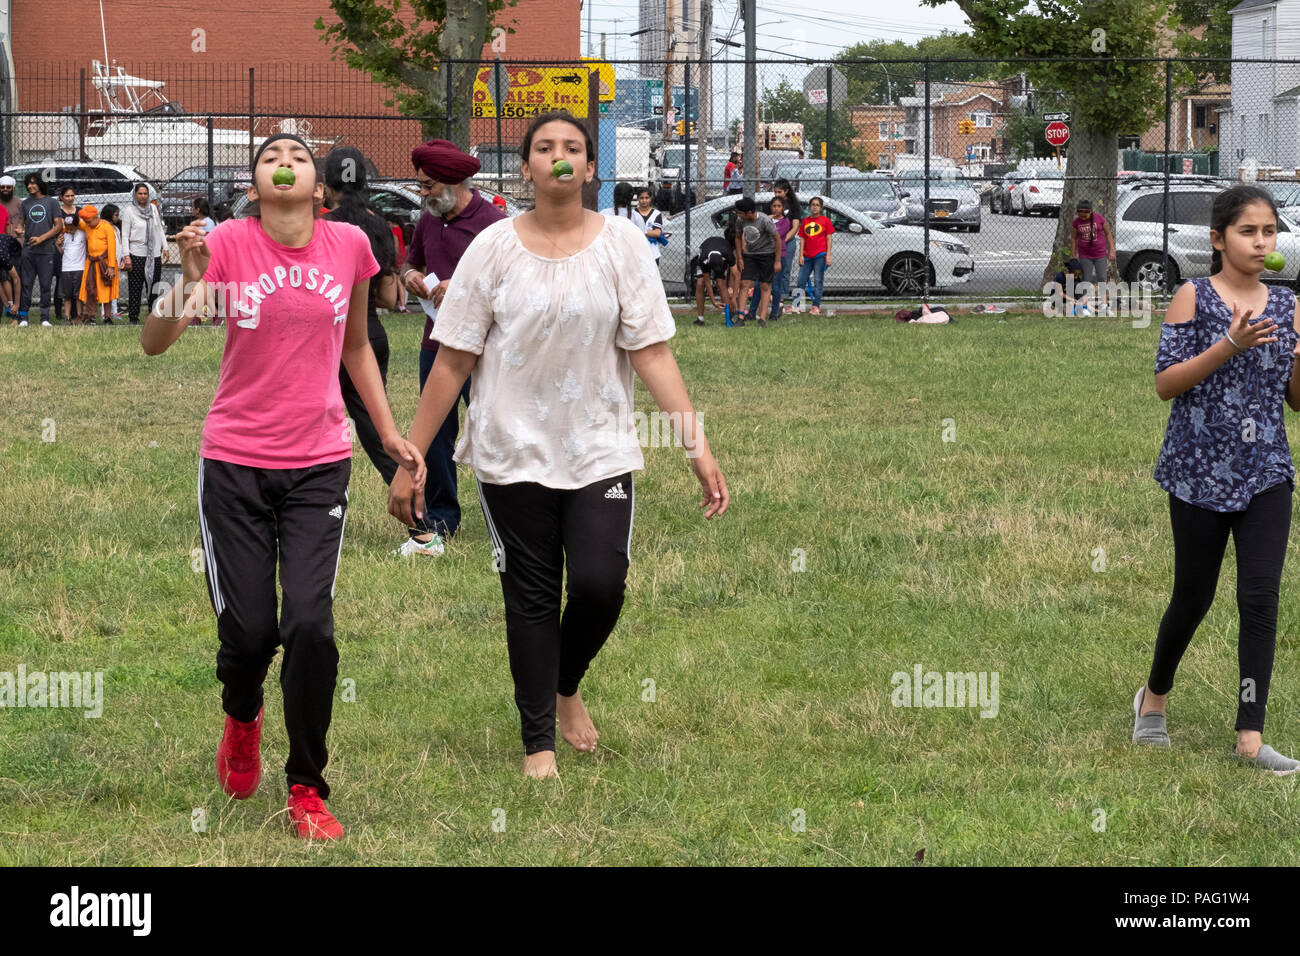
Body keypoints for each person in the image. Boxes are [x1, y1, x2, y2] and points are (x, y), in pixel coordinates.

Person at [387, 111, 729, 780]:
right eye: (545, 147)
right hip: (511, 449)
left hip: (599, 447)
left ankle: (566, 683)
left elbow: (653, 353)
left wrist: (697, 446)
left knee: (602, 584)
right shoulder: (493, 247)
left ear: (592, 167)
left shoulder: (623, 246)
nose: (560, 157)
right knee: (532, 595)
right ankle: (537, 742)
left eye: (573, 147)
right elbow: (453, 360)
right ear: (526, 168)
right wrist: (414, 458)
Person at [140, 133, 426, 839]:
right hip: (234, 461)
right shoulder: (229, 245)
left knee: (307, 624)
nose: (285, 163)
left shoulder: (349, 249)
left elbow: (356, 345)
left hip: (318, 462)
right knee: (249, 630)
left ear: (319, 185)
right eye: (271, 157)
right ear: (256, 182)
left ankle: (306, 786)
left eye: (297, 155)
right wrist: (189, 274)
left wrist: (387, 434)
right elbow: (153, 340)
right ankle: (242, 715)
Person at [1135, 184, 1300, 774]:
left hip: (1266, 475)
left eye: (1269, 232)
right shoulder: (1193, 297)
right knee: (1193, 597)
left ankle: (1250, 737)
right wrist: (1229, 342)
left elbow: (1296, 400)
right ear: (1218, 239)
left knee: (1260, 599)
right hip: (1198, 472)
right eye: (1248, 232)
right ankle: (1152, 700)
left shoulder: (1285, 305)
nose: (1261, 243)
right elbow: (1166, 383)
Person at [399, 138, 506, 555]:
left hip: (482, 348)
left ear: (452, 181)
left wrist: (459, 287)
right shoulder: (428, 219)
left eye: (428, 186)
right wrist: (411, 274)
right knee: (438, 433)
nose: (422, 193)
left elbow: (506, 285)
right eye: (420, 185)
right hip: (435, 342)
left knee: (492, 430)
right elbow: (414, 261)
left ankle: (506, 512)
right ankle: (443, 518)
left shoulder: (493, 224)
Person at [322, 146, 405, 510]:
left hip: (332, 336)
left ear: (326, 184)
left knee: (317, 426)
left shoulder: (323, 226)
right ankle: (418, 505)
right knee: (375, 430)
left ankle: (322, 500)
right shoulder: (379, 224)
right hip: (372, 333)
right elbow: (389, 298)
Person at [17, 173, 62, 327]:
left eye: (33, 183)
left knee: (45, 285)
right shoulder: (25, 204)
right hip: (28, 251)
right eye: (28, 184)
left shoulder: (52, 203)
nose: (30, 186)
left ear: (40, 184)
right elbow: (20, 225)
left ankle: (44, 318)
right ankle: (23, 318)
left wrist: (41, 238)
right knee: (26, 285)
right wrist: (18, 230)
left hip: (46, 251)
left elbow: (58, 226)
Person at [121, 182, 168, 324]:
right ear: (135, 195)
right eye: (140, 193)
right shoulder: (129, 211)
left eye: (145, 194)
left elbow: (159, 228)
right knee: (135, 287)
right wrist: (126, 256)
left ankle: (153, 317)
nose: (143, 196)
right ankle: (133, 318)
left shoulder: (153, 209)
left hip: (154, 255)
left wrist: (165, 246)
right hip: (136, 254)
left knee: (154, 287)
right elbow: (125, 235)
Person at [734, 196, 779, 328]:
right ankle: (741, 317)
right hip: (750, 254)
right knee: (744, 283)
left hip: (766, 254)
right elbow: (737, 237)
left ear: (749, 213)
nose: (738, 215)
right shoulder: (740, 220)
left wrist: (777, 261)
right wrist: (740, 257)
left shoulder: (765, 220)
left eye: (740, 213)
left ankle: (762, 318)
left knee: (765, 286)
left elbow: (777, 239)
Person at [1070, 199, 1115, 315]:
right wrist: (1073, 255)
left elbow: (1108, 234)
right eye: (1081, 215)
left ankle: (1105, 305)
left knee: (1101, 278)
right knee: (1086, 279)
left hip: (1100, 254)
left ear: (1091, 212)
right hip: (1085, 255)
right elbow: (1074, 239)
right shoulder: (1076, 223)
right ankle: (1084, 307)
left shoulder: (1100, 219)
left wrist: (1112, 250)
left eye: (1085, 215)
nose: (1083, 217)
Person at [75, 206, 118, 323]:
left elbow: (112, 248)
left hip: (106, 263)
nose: (87, 224)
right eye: (86, 222)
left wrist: (111, 267)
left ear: (96, 217)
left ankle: (108, 317)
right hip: (91, 263)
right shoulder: (87, 225)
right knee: (90, 290)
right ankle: (91, 317)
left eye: (89, 221)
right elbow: (74, 224)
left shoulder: (107, 227)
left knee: (107, 292)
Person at [793, 196, 834, 315]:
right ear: (809, 207)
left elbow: (829, 238)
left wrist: (828, 255)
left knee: (818, 280)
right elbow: (802, 239)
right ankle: (796, 305)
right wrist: (801, 255)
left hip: (820, 256)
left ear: (821, 208)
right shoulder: (805, 221)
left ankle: (815, 306)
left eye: (817, 205)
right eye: (812, 205)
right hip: (806, 256)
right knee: (801, 280)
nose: (814, 207)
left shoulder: (825, 221)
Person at [771, 179, 802, 314]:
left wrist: (783, 240)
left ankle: (782, 298)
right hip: (772, 243)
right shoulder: (772, 204)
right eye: (775, 191)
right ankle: (771, 295)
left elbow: (795, 227)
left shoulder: (794, 206)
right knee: (772, 270)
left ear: (786, 191)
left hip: (787, 243)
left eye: (779, 192)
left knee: (784, 270)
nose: (777, 194)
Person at [55, 186, 84, 325]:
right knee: (66, 294)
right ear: (61, 197)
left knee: (78, 295)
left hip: (79, 266)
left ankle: (78, 317)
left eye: (72, 195)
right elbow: (62, 250)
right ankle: (65, 317)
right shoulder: (64, 234)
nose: (70, 198)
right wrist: (57, 244)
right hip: (66, 266)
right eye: (67, 196)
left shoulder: (82, 233)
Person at [691, 233, 735, 326]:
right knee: (700, 283)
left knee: (721, 284)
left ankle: (729, 318)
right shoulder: (703, 259)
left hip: (721, 250)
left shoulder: (727, 253)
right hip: (706, 252)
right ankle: (700, 319)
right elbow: (707, 281)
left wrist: (734, 296)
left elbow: (736, 274)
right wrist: (713, 301)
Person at [764, 195, 792, 320]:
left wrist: (768, 222)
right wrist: (768, 220)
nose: (776, 209)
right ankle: (754, 312)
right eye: (774, 206)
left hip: (779, 255)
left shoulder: (785, 222)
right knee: (762, 285)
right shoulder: (766, 219)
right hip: (765, 254)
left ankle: (774, 313)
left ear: (783, 208)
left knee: (776, 286)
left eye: (779, 206)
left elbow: (776, 235)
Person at [100, 203, 125, 321]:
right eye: (116, 215)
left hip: (116, 261)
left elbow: (119, 245)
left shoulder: (115, 227)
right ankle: (104, 312)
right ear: (109, 215)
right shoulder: (104, 227)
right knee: (106, 288)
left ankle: (114, 311)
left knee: (114, 289)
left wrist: (122, 259)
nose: (117, 217)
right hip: (108, 262)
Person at [634, 185, 666, 264]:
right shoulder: (633, 213)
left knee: (653, 276)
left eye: (647, 198)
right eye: (641, 198)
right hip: (636, 253)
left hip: (653, 253)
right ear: (638, 199)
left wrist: (638, 231)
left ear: (650, 199)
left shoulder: (656, 214)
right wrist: (650, 233)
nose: (644, 200)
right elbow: (630, 232)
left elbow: (657, 233)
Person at [0, 228, 21, 321]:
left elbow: (16, 279)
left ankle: (15, 313)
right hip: (4, 251)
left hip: (16, 253)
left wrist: (16, 304)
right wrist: (6, 304)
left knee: (10, 277)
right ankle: (8, 305)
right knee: (2, 278)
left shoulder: (3, 257)